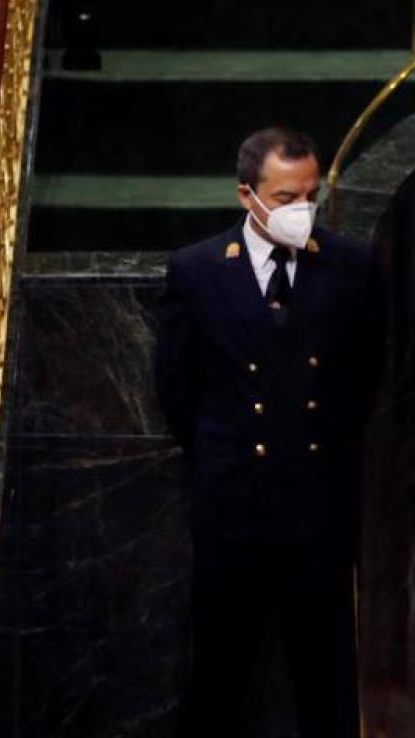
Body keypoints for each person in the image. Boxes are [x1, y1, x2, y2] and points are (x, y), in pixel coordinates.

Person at [155, 127, 382, 737]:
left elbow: (365, 380)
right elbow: (176, 389)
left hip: (318, 509)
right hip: (233, 508)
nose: (300, 210)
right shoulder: (198, 270)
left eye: (310, 194)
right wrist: (222, 458)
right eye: (285, 197)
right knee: (220, 677)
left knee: (326, 677)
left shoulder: (352, 267)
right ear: (246, 196)